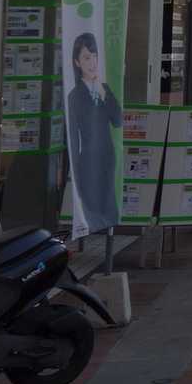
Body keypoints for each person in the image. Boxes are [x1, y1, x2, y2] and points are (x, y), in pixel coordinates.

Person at [66, 32, 122, 233]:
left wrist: (102, 91)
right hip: (88, 164)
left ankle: (108, 239)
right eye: (87, 57)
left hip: (108, 160)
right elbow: (73, 139)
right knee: (92, 214)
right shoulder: (74, 97)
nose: (92, 63)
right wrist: (75, 174)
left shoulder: (104, 89)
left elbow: (118, 120)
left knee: (109, 211)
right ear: (77, 62)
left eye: (95, 56)